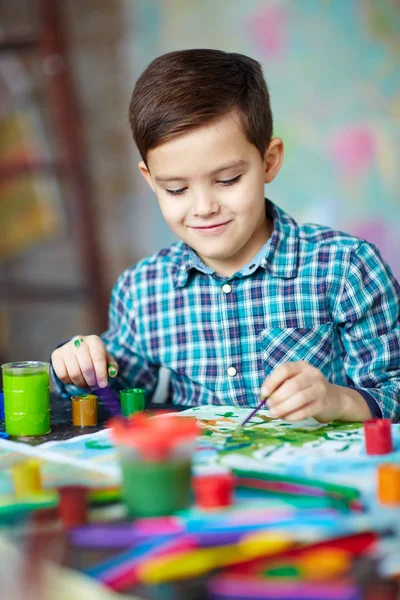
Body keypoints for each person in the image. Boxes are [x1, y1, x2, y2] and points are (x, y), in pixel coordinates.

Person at [52, 49, 400, 423]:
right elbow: (116, 399)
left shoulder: (345, 267)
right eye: (175, 189)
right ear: (150, 179)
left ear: (269, 162)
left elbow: (393, 388)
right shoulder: (142, 291)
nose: (203, 207)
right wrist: (80, 366)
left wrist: (339, 400)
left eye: (227, 180)